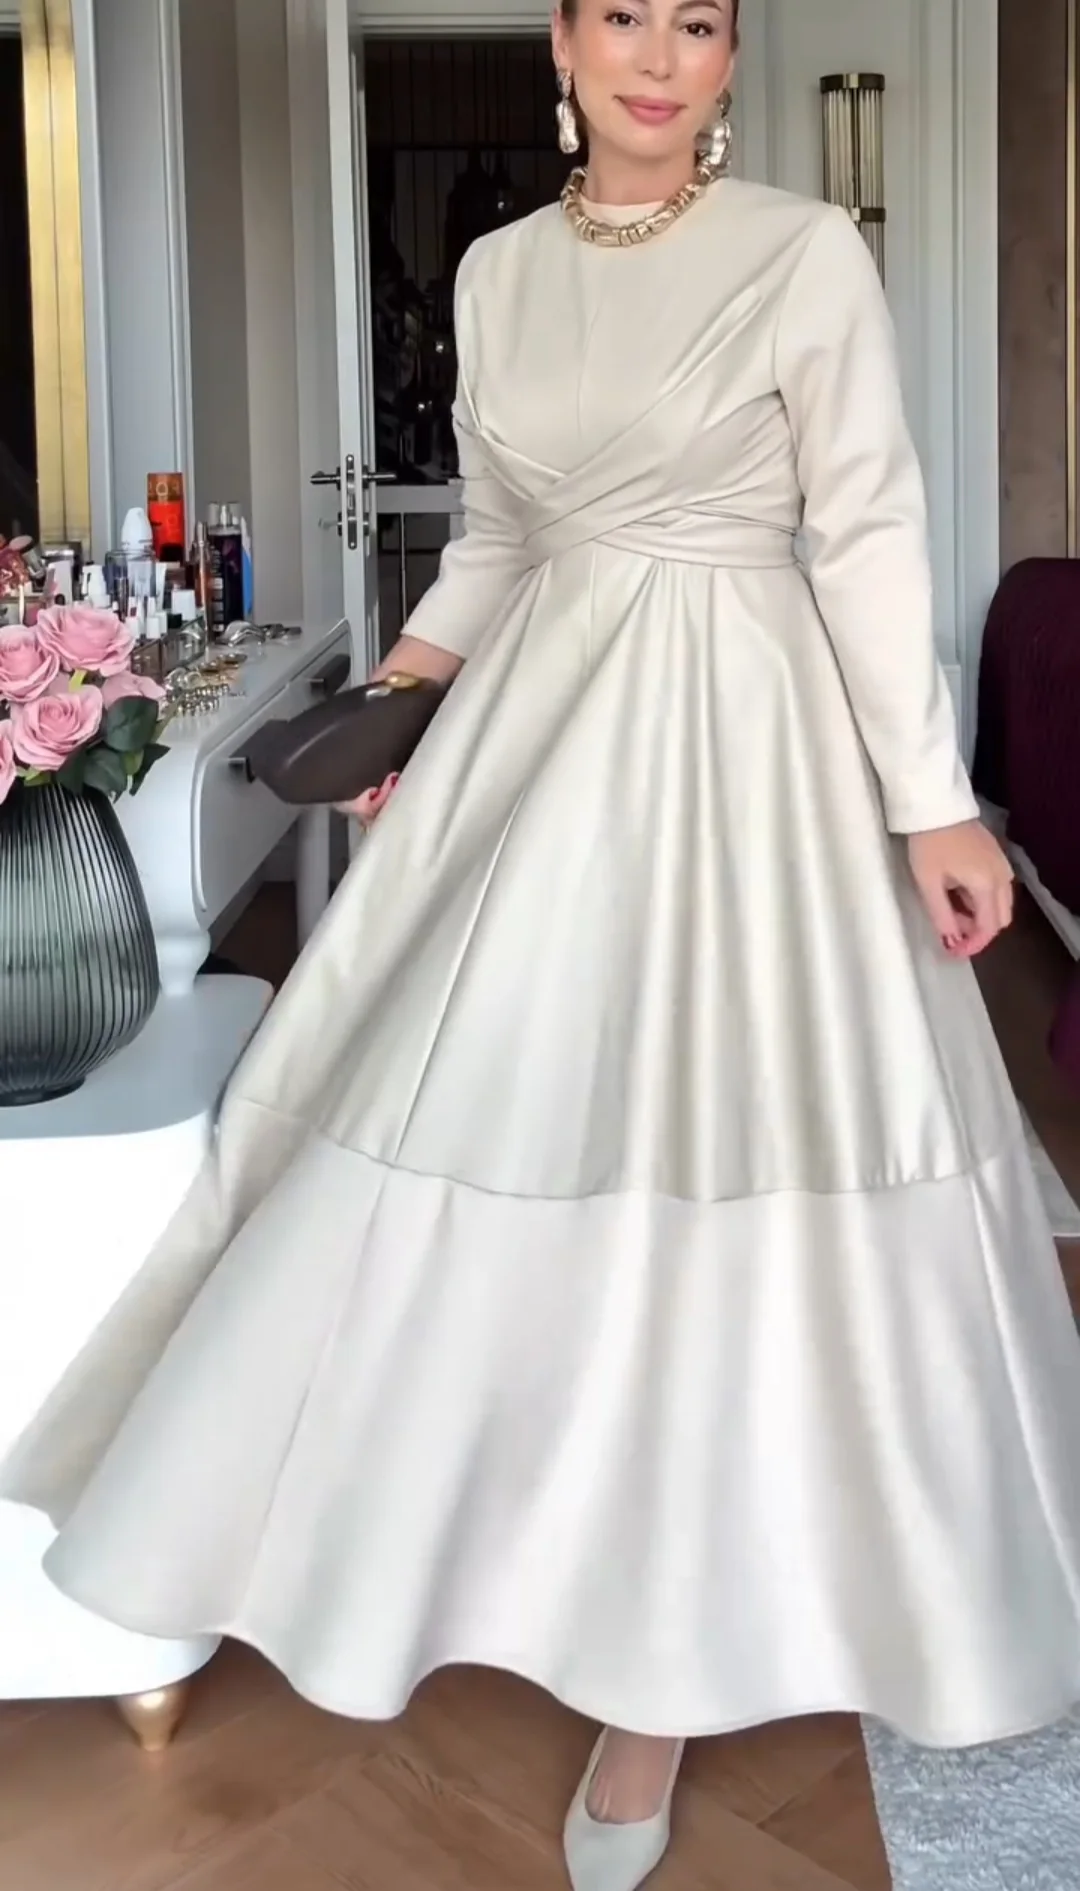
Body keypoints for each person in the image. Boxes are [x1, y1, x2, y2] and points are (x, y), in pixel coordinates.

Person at [5, 2, 1080, 1887]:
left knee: (729, 1147)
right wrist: (403, 703)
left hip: (754, 740)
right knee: (498, 1125)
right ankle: (502, 1555)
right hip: (540, 743)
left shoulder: (804, 253)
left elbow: (867, 530)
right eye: (621, 15)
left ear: (730, 57)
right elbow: (500, 536)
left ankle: (681, 1667)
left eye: (699, 21)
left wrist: (932, 800)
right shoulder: (499, 273)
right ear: (563, 47)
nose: (659, 55)